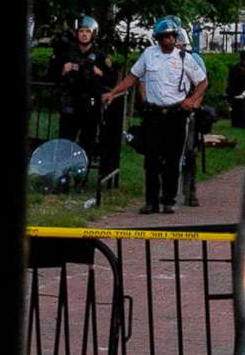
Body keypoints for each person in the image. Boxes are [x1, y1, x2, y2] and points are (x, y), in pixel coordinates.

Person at [102, 16, 205, 214]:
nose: (170, 40)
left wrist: (192, 101)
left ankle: (168, 200)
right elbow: (133, 77)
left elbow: (202, 81)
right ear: (158, 38)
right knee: (151, 159)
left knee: (173, 159)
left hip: (176, 114)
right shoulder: (148, 55)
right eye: (166, 36)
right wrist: (113, 93)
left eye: (173, 36)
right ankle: (151, 201)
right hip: (154, 115)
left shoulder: (184, 58)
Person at [52, 16, 116, 149]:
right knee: (65, 142)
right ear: (77, 33)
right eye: (81, 31)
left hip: (90, 106)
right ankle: (64, 169)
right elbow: (52, 75)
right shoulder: (67, 54)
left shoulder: (100, 56)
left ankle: (84, 168)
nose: (84, 34)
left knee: (87, 143)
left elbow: (112, 79)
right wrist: (63, 70)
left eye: (87, 31)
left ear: (93, 34)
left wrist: (101, 73)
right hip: (70, 104)